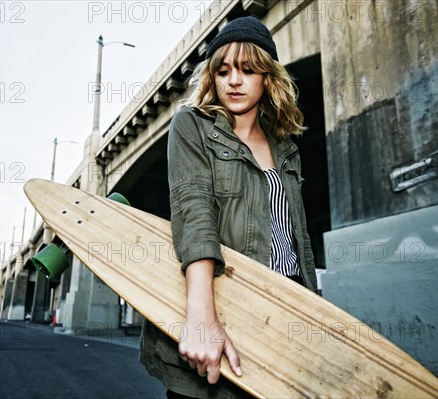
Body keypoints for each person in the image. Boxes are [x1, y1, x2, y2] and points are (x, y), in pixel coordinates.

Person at [140, 16, 318, 399]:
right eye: (223, 70)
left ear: (267, 77)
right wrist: (202, 317)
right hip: (226, 302)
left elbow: (298, 240)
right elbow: (194, 212)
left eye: (247, 70)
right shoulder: (193, 125)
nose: (234, 81)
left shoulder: (286, 147)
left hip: (284, 312)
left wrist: (314, 318)